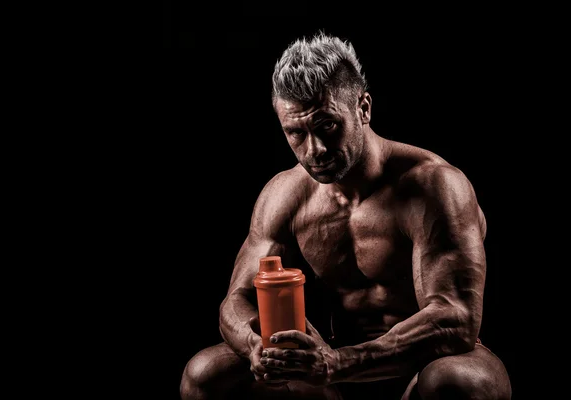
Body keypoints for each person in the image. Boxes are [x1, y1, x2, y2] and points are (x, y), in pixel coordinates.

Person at [179, 31, 512, 399]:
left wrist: (341, 363)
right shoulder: (284, 196)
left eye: (327, 126)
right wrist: (254, 347)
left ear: (363, 108)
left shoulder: (433, 187)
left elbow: (456, 319)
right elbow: (237, 300)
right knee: (206, 372)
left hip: (424, 363)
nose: (315, 149)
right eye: (296, 133)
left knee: (459, 381)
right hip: (330, 372)